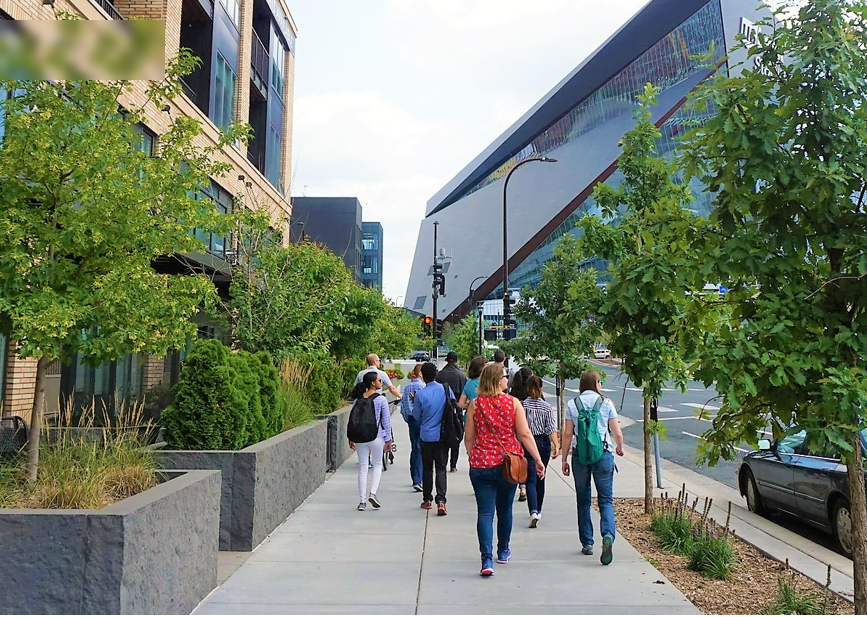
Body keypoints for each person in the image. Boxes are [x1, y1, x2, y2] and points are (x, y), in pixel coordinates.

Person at [465, 363, 545, 577]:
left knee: (485, 512)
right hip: (508, 464)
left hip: (482, 465)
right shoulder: (513, 403)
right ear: (497, 380)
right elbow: (525, 434)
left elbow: (469, 438)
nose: (507, 379)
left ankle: (486, 559)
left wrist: (473, 456)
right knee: (505, 510)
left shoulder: (475, 404)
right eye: (504, 376)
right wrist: (537, 459)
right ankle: (503, 550)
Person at [561, 369, 624, 565]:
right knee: (606, 500)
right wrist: (619, 448)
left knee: (583, 499)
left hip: (580, 456)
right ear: (597, 384)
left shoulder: (573, 404)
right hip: (603, 454)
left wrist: (564, 458)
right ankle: (607, 535)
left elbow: (567, 434)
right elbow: (617, 432)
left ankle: (587, 543)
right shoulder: (606, 403)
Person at [411, 362, 452, 515]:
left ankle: (427, 499)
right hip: (442, 435)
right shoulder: (445, 389)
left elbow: (416, 416)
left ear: (423, 376)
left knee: (427, 469)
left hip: (426, 436)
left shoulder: (421, 394)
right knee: (441, 468)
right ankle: (441, 501)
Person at [348, 372, 393, 512]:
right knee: (377, 464)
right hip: (376, 437)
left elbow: (353, 419)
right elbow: (386, 421)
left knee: (363, 468)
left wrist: (351, 437)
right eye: (379, 380)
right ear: (373, 382)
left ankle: (362, 501)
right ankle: (372, 493)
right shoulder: (381, 400)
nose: (381, 382)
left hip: (360, 437)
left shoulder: (358, 399)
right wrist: (388, 439)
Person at [522, 375, 559, 527]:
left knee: (530, 477)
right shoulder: (547, 407)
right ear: (541, 388)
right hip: (543, 442)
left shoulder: (523, 406)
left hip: (528, 442)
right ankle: (539, 509)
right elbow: (551, 428)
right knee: (541, 475)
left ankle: (533, 510)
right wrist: (556, 445)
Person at [435, 351, 467, 473]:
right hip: (456, 408)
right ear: (456, 360)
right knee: (456, 434)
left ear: (447, 360)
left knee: (443, 435)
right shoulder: (461, 376)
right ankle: (453, 464)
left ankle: (442, 461)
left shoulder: (440, 375)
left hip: (442, 409)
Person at [507, 366, 534, 501]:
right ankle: (528, 485)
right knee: (531, 460)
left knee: (520, 458)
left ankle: (522, 486)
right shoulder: (532, 394)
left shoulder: (513, 394)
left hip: (516, 431)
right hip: (531, 431)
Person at [401, 364, 425, 492]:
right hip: (421, 420)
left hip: (411, 420)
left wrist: (408, 419)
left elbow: (404, 406)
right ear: (421, 374)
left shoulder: (407, 388)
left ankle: (415, 477)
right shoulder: (423, 388)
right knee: (420, 448)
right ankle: (418, 479)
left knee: (414, 447)